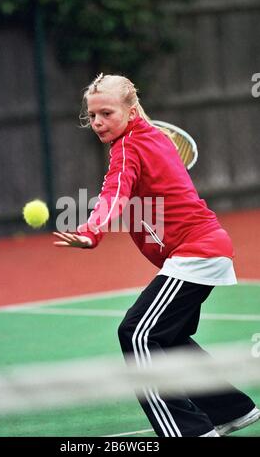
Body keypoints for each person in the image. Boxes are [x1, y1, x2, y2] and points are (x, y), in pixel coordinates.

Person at [53, 73, 259, 437]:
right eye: (93, 116)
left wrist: (90, 231)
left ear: (131, 112)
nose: (99, 122)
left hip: (196, 251)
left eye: (107, 113)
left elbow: (113, 194)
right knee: (169, 337)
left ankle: (186, 431)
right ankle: (231, 410)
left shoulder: (128, 147)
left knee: (136, 334)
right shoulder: (149, 137)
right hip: (205, 248)